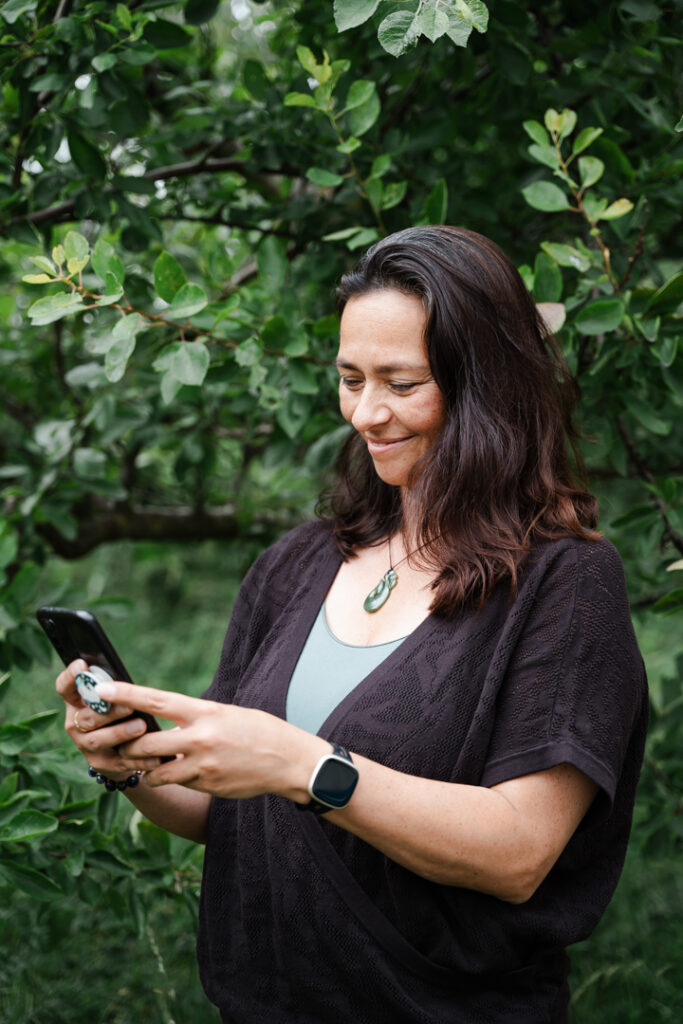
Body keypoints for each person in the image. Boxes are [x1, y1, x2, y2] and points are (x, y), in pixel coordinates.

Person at [56, 225, 648, 1024]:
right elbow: (220, 813)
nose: (366, 413)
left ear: (485, 388)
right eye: (349, 378)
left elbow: (517, 853)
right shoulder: (297, 563)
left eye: (401, 384)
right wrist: (134, 762)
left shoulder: (565, 584)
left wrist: (307, 766)